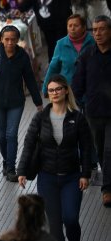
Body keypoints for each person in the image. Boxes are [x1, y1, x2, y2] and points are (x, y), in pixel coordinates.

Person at [18, 75, 92, 241]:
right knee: (55, 228)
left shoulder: (77, 118)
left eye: (58, 89)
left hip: (72, 178)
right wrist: (21, 171)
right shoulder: (40, 117)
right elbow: (28, 144)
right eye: (51, 90)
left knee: (71, 219)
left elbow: (87, 148)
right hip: (47, 179)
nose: (55, 93)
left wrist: (85, 174)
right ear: (48, 94)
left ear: (66, 91)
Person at [0, 25, 43, 182]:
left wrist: (38, 102)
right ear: (1, 39)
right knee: (2, 136)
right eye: (6, 39)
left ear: (18, 40)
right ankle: (6, 161)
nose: (10, 42)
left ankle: (11, 168)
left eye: (13, 39)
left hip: (16, 102)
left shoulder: (22, 57)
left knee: (11, 134)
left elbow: (30, 79)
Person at [72, 15, 111, 208]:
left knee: (110, 149)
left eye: (102, 29)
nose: (98, 33)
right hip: (94, 113)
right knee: (101, 149)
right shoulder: (87, 55)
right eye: (94, 30)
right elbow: (77, 84)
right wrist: (84, 104)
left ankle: (107, 189)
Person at [42, 14, 95, 95]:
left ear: (84, 27)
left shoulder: (93, 42)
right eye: (70, 26)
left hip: (90, 88)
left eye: (76, 25)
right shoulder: (61, 44)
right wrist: (46, 88)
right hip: (69, 91)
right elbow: (53, 68)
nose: (72, 28)